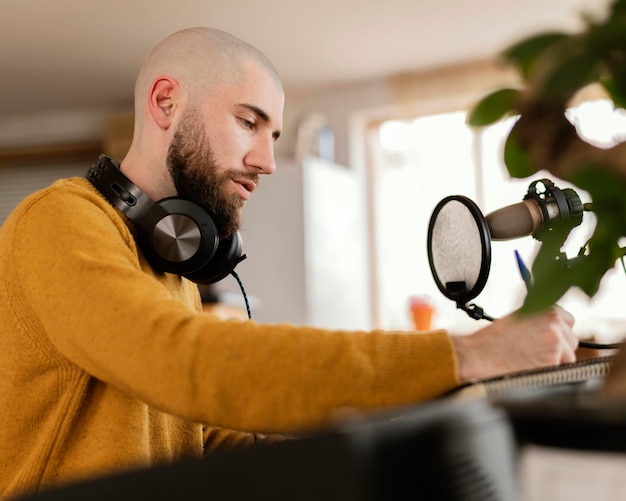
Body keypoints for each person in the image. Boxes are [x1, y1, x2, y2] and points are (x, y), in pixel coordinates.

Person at [0, 27, 578, 499]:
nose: (268, 161)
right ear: (166, 102)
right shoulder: (61, 222)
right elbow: (189, 363)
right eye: (248, 122)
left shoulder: (173, 265)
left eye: (273, 134)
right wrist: (464, 354)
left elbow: (210, 445)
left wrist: (386, 430)